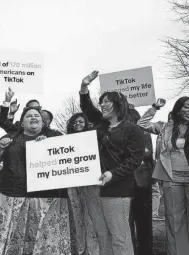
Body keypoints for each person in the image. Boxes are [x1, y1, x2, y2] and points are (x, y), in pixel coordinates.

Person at [0, 107, 70, 254]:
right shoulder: (11, 137)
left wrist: (47, 145)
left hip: (44, 197)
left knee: (40, 239)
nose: (33, 117)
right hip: (13, 195)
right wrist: (0, 147)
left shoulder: (54, 137)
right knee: (14, 237)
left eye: (36, 115)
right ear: (22, 123)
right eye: (28, 116)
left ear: (43, 123)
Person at [79, 71, 145, 255]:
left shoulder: (132, 130)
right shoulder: (100, 125)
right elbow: (87, 107)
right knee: (102, 235)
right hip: (93, 186)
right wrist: (84, 86)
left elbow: (134, 160)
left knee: (119, 237)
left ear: (118, 104)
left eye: (107, 101)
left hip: (117, 189)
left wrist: (112, 174)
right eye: (101, 101)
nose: (102, 104)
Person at [138, 96, 189, 255]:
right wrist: (155, 107)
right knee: (175, 219)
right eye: (186, 107)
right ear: (179, 108)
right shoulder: (166, 127)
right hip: (172, 178)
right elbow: (141, 124)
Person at [66, 112, 99, 255]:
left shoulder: (93, 138)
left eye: (81, 122)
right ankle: (79, 250)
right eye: (75, 122)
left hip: (89, 183)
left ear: (86, 123)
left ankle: (93, 251)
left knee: (91, 218)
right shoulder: (64, 141)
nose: (78, 124)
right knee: (76, 216)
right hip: (72, 185)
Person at [127, 108, 154, 255]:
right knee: (126, 223)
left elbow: (149, 155)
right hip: (124, 184)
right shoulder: (116, 135)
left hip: (142, 183)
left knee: (144, 223)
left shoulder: (145, 134)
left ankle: (146, 251)